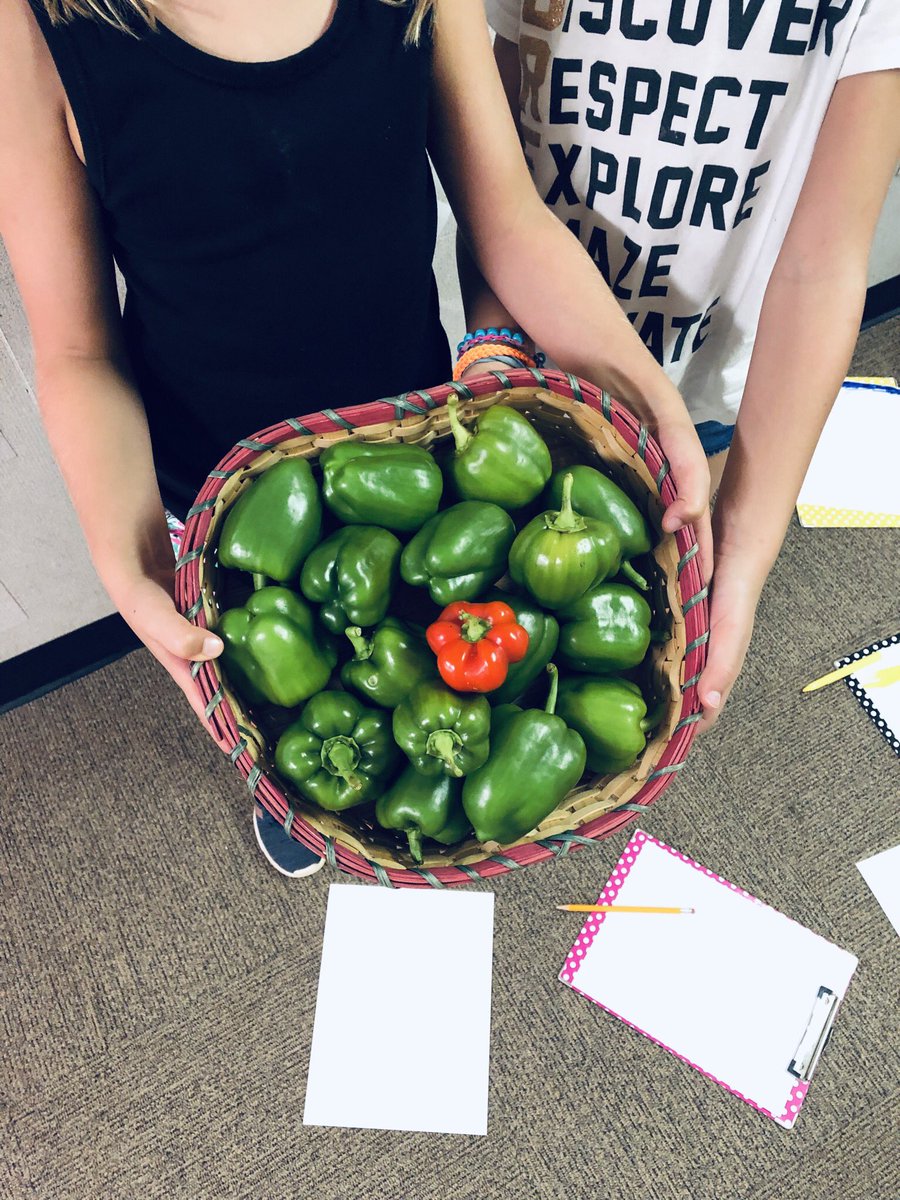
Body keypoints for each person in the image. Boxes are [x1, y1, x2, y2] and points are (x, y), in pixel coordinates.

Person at [0, 0, 710, 876]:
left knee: (421, 642)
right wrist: (127, 558)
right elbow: (76, 348)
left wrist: (653, 400)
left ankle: (347, 792)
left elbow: (509, 219)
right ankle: (303, 804)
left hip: (424, 465)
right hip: (218, 502)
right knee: (286, 683)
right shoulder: (30, 27)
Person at [461, 0, 900, 733]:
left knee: (633, 614)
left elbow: (821, 269)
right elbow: (494, 169)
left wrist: (747, 560)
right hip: (523, 360)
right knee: (486, 587)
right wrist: (492, 344)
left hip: (708, 383)